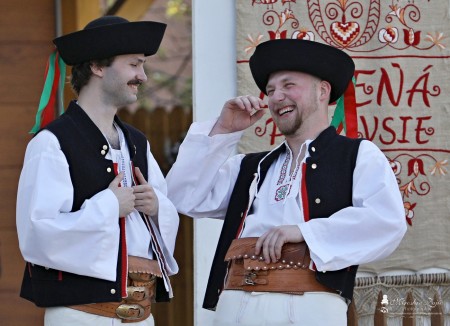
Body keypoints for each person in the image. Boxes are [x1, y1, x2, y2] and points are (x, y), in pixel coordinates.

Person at [166, 39, 407, 325]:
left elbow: (387, 221)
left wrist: (305, 232)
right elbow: (181, 196)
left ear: (322, 91)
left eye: (288, 85)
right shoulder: (249, 167)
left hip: (308, 307)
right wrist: (223, 130)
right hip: (235, 306)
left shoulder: (358, 155)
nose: (276, 97)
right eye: (270, 91)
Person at [16, 16, 179, 325]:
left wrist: (158, 207)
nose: (142, 76)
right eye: (134, 65)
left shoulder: (138, 144)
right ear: (98, 66)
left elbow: (160, 221)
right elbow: (37, 235)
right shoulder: (52, 144)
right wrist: (108, 207)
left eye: (142, 66)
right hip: (81, 316)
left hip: (140, 317)